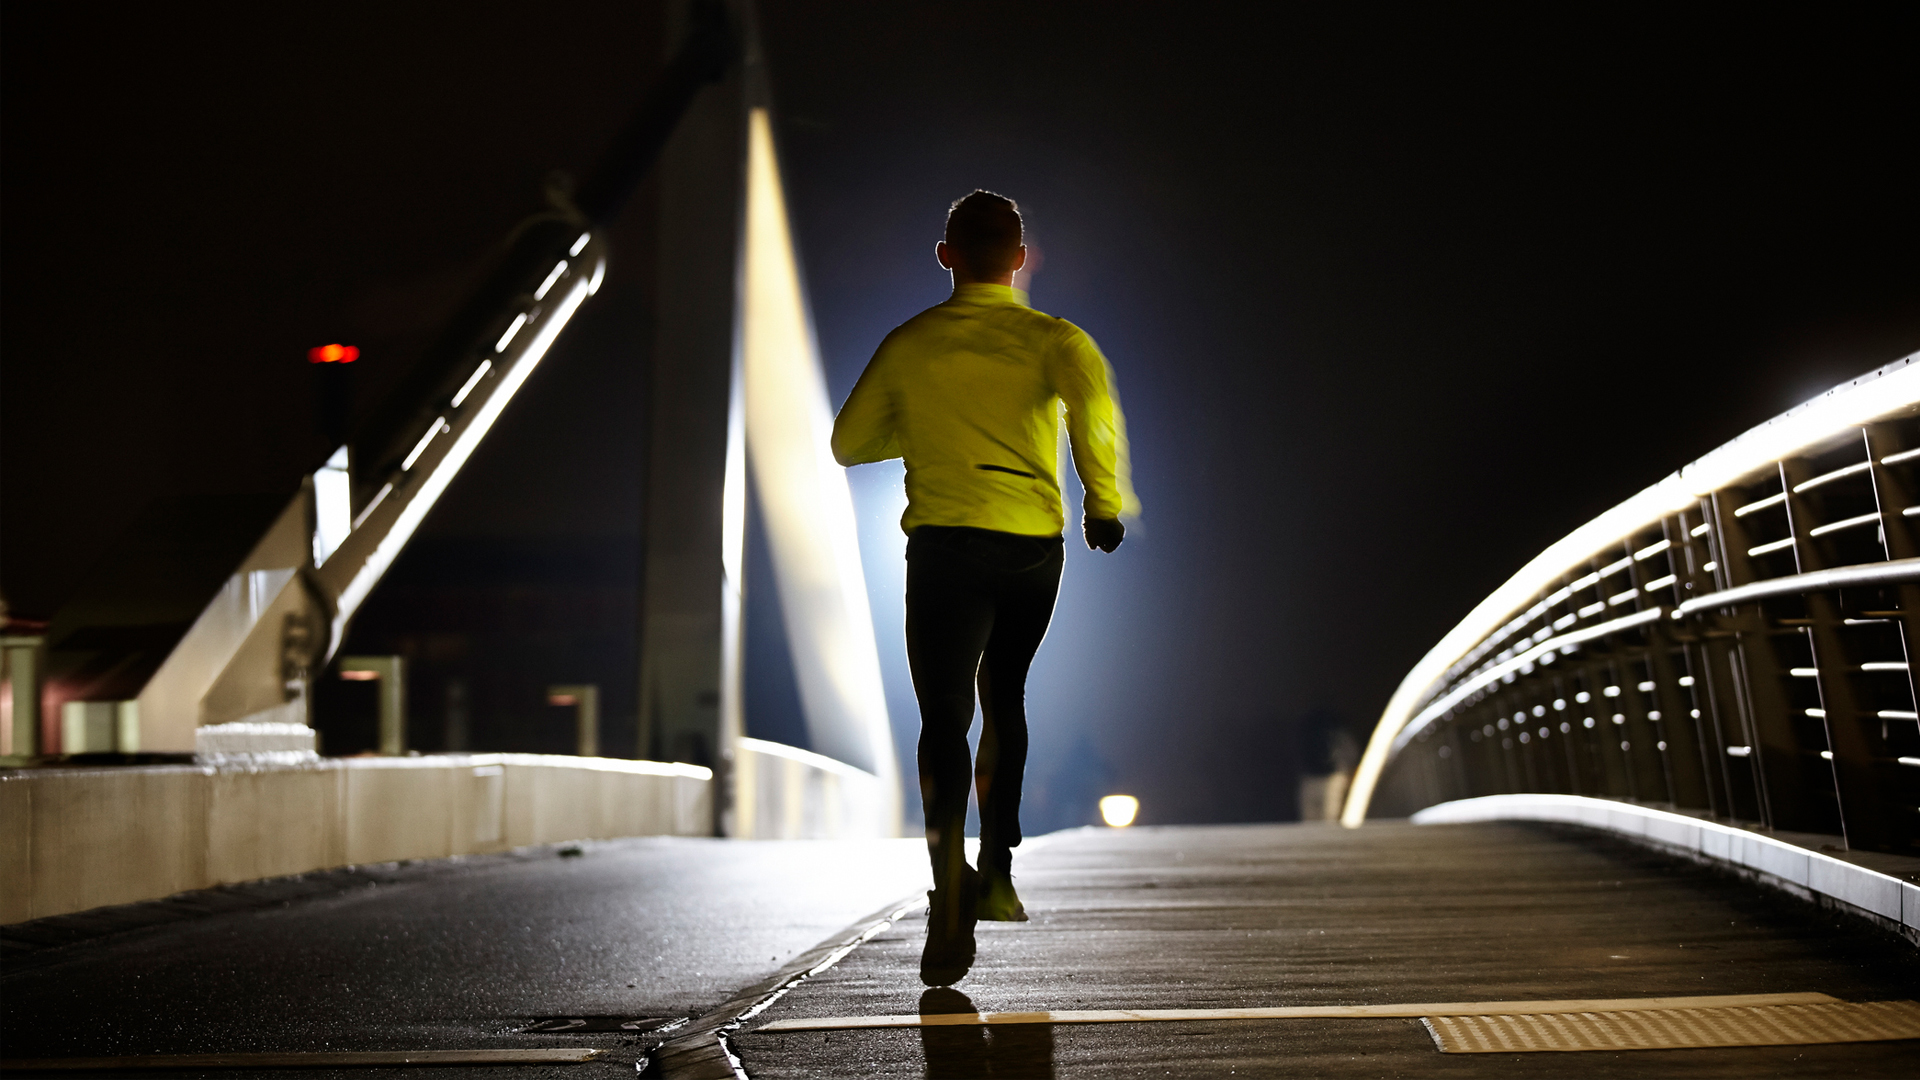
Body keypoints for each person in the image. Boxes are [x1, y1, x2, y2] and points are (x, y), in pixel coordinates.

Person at [832, 190, 1138, 985]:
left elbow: (848, 444)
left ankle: (948, 884)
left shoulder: (910, 343)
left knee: (944, 718)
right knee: (1007, 697)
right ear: (1021, 259)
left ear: (946, 256)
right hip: (1033, 551)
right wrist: (1103, 505)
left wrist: (928, 427)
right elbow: (1093, 418)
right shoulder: (1056, 340)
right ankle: (998, 866)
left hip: (945, 550)